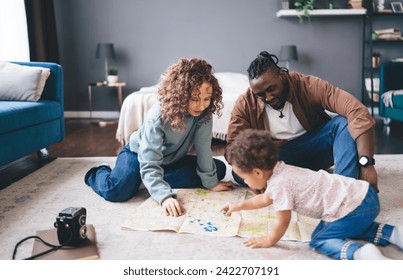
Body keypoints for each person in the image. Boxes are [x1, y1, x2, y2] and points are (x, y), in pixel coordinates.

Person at [85, 58, 236, 217]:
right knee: (117, 191)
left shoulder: (204, 113)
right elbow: (149, 161)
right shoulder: (158, 116)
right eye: (195, 99)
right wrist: (164, 197)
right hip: (138, 156)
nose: (201, 106)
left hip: (170, 161)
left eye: (207, 99)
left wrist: (211, 184)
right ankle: (98, 172)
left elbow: (204, 148)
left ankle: (144, 180)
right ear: (181, 95)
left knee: (217, 169)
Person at [221, 129, 403, 260]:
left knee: (320, 238)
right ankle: (394, 234)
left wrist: (269, 240)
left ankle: (360, 253)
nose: (245, 182)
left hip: (352, 207)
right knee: (351, 225)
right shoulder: (281, 169)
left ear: (258, 173)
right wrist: (238, 206)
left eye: (245, 178)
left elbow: (282, 221)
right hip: (365, 196)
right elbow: (264, 198)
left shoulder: (279, 185)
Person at [226, 51, 378, 192]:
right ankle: (293, 179)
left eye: (272, 88)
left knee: (342, 123)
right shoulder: (245, 103)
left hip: (316, 151)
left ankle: (344, 189)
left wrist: (367, 164)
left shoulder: (308, 85)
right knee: (239, 172)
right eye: (261, 94)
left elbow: (357, 111)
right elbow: (232, 147)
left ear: (282, 75)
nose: (268, 97)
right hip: (276, 160)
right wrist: (254, 170)